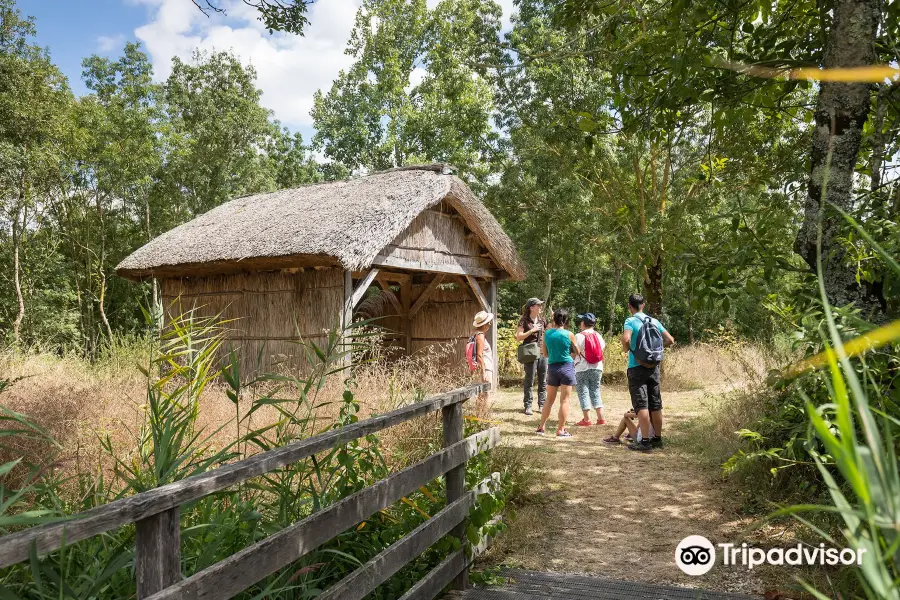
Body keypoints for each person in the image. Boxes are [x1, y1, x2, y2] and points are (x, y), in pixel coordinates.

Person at [621, 293, 675, 452]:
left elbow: (626, 339)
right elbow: (670, 340)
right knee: (655, 404)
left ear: (629, 306)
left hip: (636, 367)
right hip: (654, 368)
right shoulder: (654, 321)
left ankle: (644, 442)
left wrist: (632, 351)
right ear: (643, 305)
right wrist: (654, 353)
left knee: (642, 404)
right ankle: (657, 438)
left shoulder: (630, 321)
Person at [536, 308, 580, 438]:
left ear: (554, 319)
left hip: (553, 368)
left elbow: (545, 354)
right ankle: (560, 430)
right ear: (566, 320)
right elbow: (577, 351)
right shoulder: (569, 334)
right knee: (564, 401)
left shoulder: (547, 334)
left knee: (549, 400)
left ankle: (541, 427)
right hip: (566, 367)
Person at [516, 298, 547, 416]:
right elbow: (519, 337)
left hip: (543, 353)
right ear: (532, 307)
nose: (540, 308)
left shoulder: (542, 320)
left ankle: (541, 405)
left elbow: (548, 332)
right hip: (530, 353)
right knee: (529, 380)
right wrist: (532, 330)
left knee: (543, 380)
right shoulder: (524, 321)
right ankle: (528, 405)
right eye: (538, 306)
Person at [574, 313, 605, 426]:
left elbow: (575, 352)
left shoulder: (579, 336)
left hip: (582, 368)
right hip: (597, 367)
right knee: (595, 390)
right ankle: (601, 418)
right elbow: (601, 350)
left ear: (583, 323)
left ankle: (586, 420)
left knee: (583, 392)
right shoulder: (599, 336)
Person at [472, 310, 495, 415]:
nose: (490, 324)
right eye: (489, 322)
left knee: (481, 393)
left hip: (480, 367)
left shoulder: (475, 334)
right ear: (484, 324)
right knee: (484, 393)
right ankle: (482, 415)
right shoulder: (480, 336)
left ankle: (480, 414)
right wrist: (484, 372)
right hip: (484, 367)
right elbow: (479, 355)